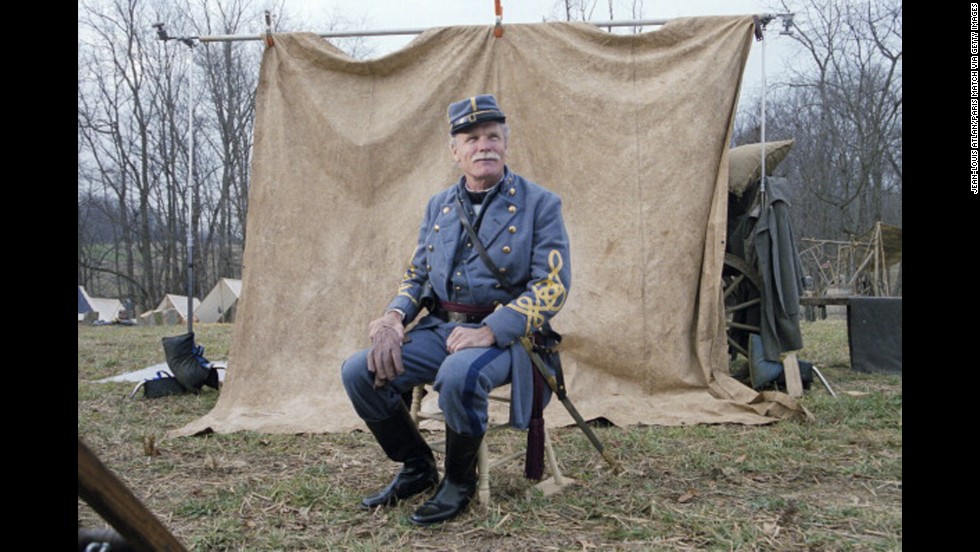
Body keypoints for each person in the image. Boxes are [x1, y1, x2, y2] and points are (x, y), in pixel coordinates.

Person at [340, 94, 572, 526]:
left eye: (492, 137)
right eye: (471, 139)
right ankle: (417, 467)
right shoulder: (439, 206)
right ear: (455, 151)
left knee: (459, 373)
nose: (483, 146)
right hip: (443, 328)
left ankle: (458, 481)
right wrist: (393, 317)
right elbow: (419, 275)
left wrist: (490, 331)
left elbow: (553, 285)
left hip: (511, 337)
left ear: (505, 143)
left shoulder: (541, 204)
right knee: (359, 371)